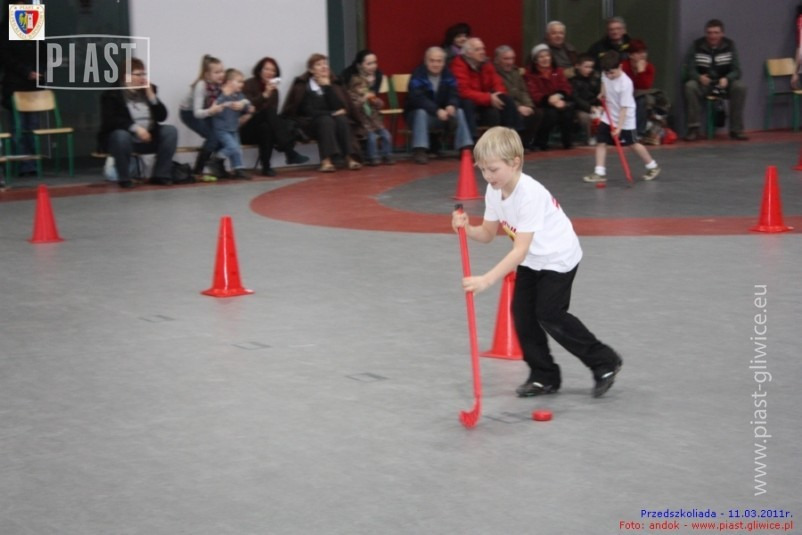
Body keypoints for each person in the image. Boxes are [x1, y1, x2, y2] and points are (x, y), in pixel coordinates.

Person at [451, 126, 623, 398]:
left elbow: (519, 250)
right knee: (522, 315)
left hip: (558, 256)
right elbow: (487, 234)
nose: (487, 176)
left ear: (514, 162)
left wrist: (487, 279)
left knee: (550, 314)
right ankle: (544, 376)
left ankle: (604, 361)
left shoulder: (529, 194)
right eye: (482, 170)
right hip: (533, 257)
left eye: (493, 169)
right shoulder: (494, 191)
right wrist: (466, 228)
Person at [98, 57, 180, 189]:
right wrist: (136, 128)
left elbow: (162, 117)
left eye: (144, 74)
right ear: (126, 76)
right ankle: (124, 178)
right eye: (138, 74)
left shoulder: (148, 91)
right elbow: (111, 120)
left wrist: (152, 97)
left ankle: (161, 175)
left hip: (149, 137)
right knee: (120, 136)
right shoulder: (112, 95)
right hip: (125, 139)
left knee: (170, 131)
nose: (142, 78)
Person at [582, 51, 660, 184]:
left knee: (633, 143)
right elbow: (604, 82)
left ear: (620, 67)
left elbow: (624, 108)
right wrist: (602, 93)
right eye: (607, 73)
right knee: (601, 141)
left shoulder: (625, 84)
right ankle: (599, 172)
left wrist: (619, 128)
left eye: (612, 73)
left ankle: (652, 166)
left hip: (625, 118)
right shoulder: (606, 73)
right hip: (609, 114)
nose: (609, 76)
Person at [281, 53, 362, 172]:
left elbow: (340, 108)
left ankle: (349, 157)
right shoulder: (304, 86)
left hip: (331, 121)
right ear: (311, 70)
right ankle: (326, 160)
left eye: (325, 64)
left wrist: (327, 87)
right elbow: (307, 111)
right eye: (319, 64)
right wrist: (330, 113)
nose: (324, 67)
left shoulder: (334, 84)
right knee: (326, 121)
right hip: (308, 123)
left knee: (342, 120)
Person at [241, 57, 309, 177]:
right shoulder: (248, 84)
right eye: (267, 69)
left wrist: (268, 95)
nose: (270, 72)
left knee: (266, 127)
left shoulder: (275, 91)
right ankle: (289, 151)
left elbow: (271, 115)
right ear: (259, 70)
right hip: (246, 128)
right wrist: (265, 95)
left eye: (273, 70)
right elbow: (246, 106)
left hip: (260, 128)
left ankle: (266, 166)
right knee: (268, 113)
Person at [404, 46, 473, 164]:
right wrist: (436, 110)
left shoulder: (448, 75)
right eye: (432, 61)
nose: (435, 64)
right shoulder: (418, 75)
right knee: (421, 112)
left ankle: (465, 148)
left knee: (459, 112)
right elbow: (417, 98)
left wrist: (451, 105)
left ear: (443, 62)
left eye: (439, 61)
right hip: (419, 117)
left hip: (443, 115)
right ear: (426, 61)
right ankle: (420, 150)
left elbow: (454, 93)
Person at [682, 19, 748, 141]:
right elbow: (689, 69)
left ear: (722, 33)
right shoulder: (696, 45)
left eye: (716, 33)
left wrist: (727, 78)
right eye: (709, 33)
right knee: (690, 86)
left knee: (740, 87)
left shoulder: (730, 45)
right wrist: (699, 77)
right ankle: (693, 129)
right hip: (704, 84)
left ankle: (736, 129)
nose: (712, 36)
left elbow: (737, 70)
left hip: (724, 84)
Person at [450, 37, 518, 141]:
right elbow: (463, 91)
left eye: (483, 49)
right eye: (478, 49)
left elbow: (497, 82)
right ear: (468, 53)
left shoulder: (486, 63)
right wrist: (488, 98)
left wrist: (498, 95)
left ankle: (512, 135)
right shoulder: (458, 64)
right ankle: (472, 139)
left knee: (505, 99)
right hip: (468, 101)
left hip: (483, 100)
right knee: (467, 103)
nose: (482, 52)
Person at [343, 50, 395, 166]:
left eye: (374, 62)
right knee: (371, 137)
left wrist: (377, 101)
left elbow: (378, 104)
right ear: (360, 65)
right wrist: (363, 99)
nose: (373, 66)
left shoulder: (377, 77)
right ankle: (373, 157)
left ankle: (387, 154)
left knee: (386, 135)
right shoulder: (351, 85)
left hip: (374, 120)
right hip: (362, 122)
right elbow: (353, 106)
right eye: (369, 63)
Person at [179, 55, 226, 178]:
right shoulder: (201, 85)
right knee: (212, 137)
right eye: (217, 72)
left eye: (222, 71)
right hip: (189, 113)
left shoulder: (220, 85)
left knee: (222, 134)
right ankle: (198, 169)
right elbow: (197, 113)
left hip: (208, 110)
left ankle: (217, 164)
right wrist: (211, 111)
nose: (221, 75)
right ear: (207, 75)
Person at [524, 44, 574, 150]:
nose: (545, 59)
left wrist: (559, 96)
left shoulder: (557, 71)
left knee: (567, 110)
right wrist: (549, 100)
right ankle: (541, 142)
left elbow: (566, 87)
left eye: (547, 56)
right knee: (551, 114)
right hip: (542, 103)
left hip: (557, 100)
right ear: (535, 60)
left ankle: (567, 142)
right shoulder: (530, 74)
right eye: (541, 57)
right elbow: (534, 94)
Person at [494, 45, 541, 150]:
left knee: (536, 113)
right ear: (497, 60)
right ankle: (511, 145)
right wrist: (518, 107)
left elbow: (523, 91)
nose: (510, 62)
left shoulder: (515, 72)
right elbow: (502, 95)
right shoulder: (494, 74)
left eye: (512, 58)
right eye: (506, 59)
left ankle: (525, 143)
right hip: (506, 105)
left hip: (520, 103)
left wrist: (529, 105)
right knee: (515, 115)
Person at [212, 69, 253, 180]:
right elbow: (215, 107)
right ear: (229, 82)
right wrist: (224, 96)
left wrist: (244, 105)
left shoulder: (239, 95)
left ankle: (239, 169)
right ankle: (216, 158)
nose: (242, 84)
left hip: (233, 128)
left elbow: (247, 102)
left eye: (242, 82)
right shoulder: (221, 94)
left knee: (238, 150)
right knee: (232, 147)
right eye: (239, 81)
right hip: (222, 128)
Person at [620, 39, 655, 137]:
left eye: (644, 52)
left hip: (639, 95)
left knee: (642, 100)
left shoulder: (649, 67)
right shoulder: (623, 66)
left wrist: (640, 72)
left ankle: (639, 133)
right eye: (639, 53)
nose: (643, 55)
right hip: (624, 95)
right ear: (630, 55)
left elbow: (645, 87)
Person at [571, 54, 602, 145]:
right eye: (586, 67)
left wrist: (599, 105)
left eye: (591, 67)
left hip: (594, 106)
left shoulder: (595, 79)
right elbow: (575, 98)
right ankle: (590, 137)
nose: (589, 70)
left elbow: (598, 94)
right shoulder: (573, 81)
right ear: (578, 66)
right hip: (579, 108)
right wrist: (589, 108)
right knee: (585, 117)